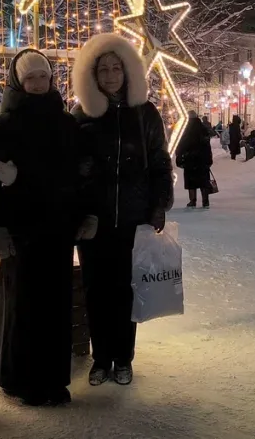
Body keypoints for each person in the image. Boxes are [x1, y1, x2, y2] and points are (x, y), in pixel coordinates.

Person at [0, 49, 86, 407]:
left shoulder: (66, 122)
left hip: (58, 229)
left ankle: (54, 380)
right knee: (22, 306)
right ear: (19, 81)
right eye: (31, 78)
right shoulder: (5, 124)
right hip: (21, 231)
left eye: (43, 76)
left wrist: (80, 214)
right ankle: (19, 380)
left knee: (56, 306)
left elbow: (78, 173)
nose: (38, 83)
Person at [71, 33, 173, 387]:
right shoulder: (82, 115)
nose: (111, 75)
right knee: (96, 290)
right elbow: (71, 172)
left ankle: (123, 357)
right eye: (104, 69)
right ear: (93, 74)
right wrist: (79, 211)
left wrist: (158, 204)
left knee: (126, 289)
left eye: (116, 68)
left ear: (127, 71)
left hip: (133, 218)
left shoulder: (144, 113)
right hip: (93, 222)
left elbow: (160, 162)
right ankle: (101, 358)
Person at [176, 110, 214, 208]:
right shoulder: (203, 129)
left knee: (191, 181)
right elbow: (207, 146)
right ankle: (205, 201)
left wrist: (179, 157)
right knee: (204, 181)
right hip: (202, 160)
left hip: (190, 160)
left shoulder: (186, 130)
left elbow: (181, 145)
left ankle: (192, 200)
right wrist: (209, 159)